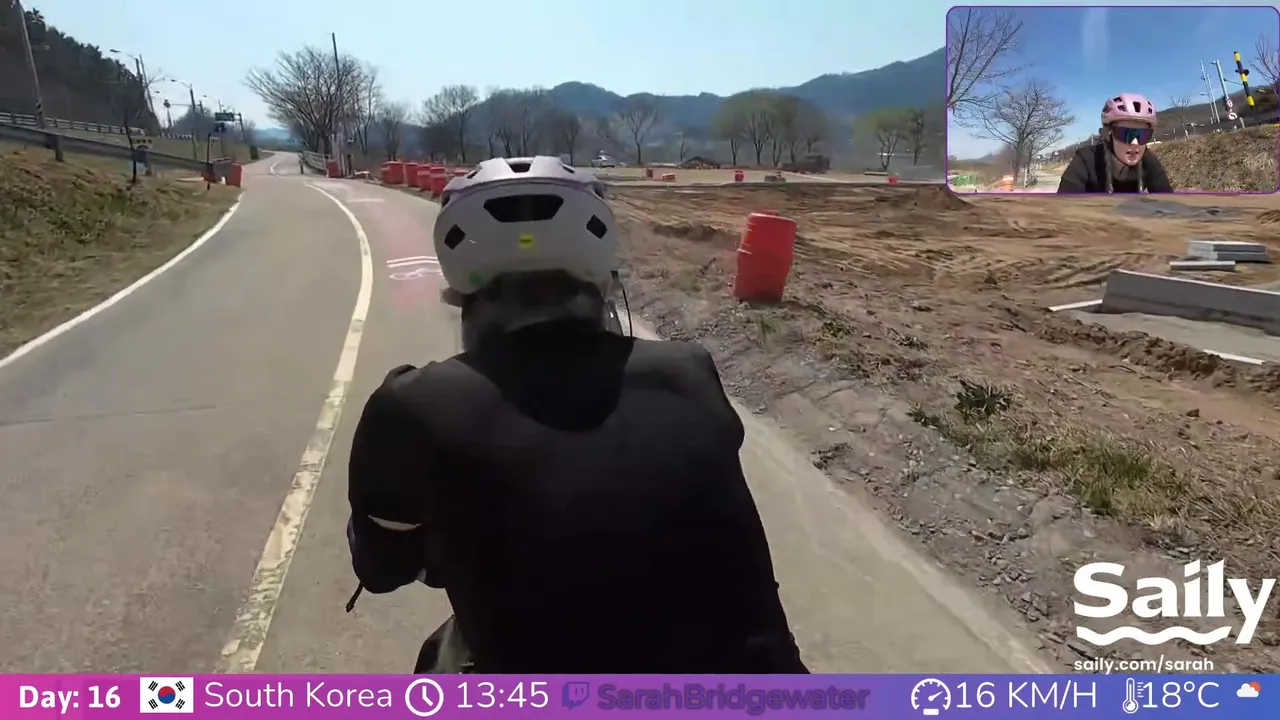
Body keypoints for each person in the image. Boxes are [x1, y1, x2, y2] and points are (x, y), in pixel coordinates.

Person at [344, 155, 808, 674]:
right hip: (771, 694)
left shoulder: (414, 404)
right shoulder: (689, 374)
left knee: (442, 662)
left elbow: (380, 568)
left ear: (464, 297)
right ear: (600, 284)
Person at [1058, 93, 1174, 194]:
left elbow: (1169, 205)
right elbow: (1062, 205)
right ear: (1108, 134)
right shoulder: (1085, 160)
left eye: (1143, 135)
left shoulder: (1149, 162)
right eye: (1125, 134)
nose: (1134, 143)